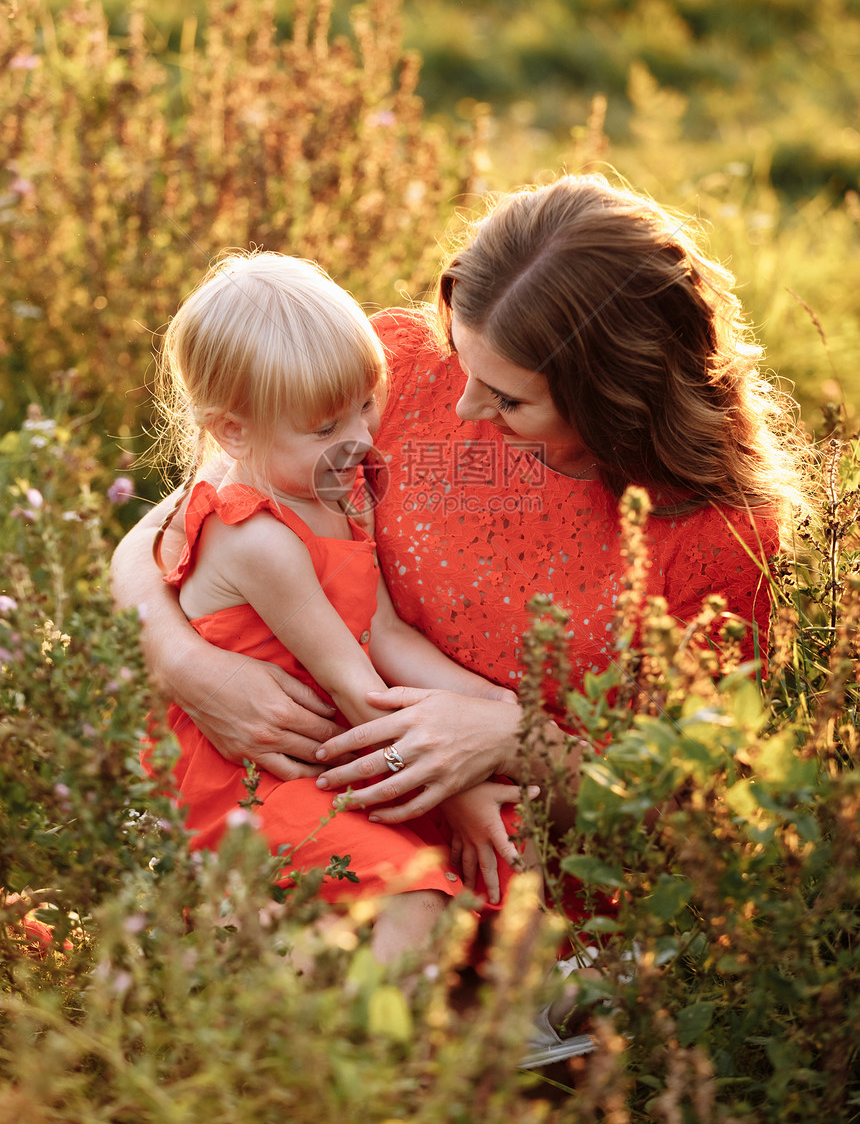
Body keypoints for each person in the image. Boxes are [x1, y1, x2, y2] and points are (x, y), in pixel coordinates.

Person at [113, 172, 803, 932]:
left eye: (507, 399)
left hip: (523, 888)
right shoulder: (389, 373)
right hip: (334, 800)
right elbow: (183, 524)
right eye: (463, 362)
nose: (465, 406)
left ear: (615, 398)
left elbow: (682, 804)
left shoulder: (716, 537)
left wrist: (513, 741)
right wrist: (180, 661)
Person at [143, 251, 534, 966]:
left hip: (325, 754)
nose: (358, 437)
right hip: (247, 781)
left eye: (366, 403)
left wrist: (499, 707)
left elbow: (383, 630)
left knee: (480, 873)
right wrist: (458, 791)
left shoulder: (335, 490)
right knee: (418, 893)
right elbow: (356, 684)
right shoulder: (259, 538)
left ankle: (279, 1004)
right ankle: (356, 1067)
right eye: (326, 426)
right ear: (232, 432)